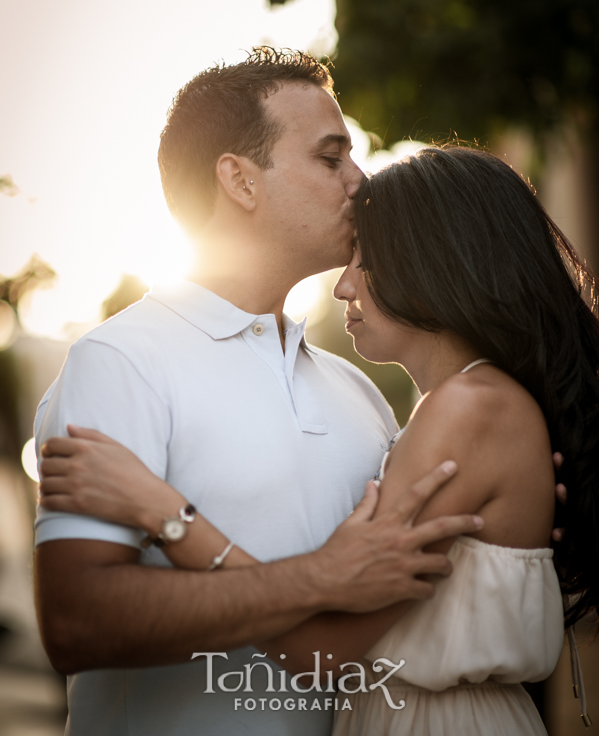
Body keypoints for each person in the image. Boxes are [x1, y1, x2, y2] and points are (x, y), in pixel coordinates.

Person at [40, 145, 599, 734]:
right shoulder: (459, 409)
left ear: (435, 260)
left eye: (367, 257)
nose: (344, 286)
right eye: (330, 159)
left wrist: (166, 513)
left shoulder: (464, 408)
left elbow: (320, 654)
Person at [33, 49, 483, 736]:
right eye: (330, 158)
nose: (359, 182)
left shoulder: (356, 388)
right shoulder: (121, 361)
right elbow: (75, 622)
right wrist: (318, 576)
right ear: (239, 181)